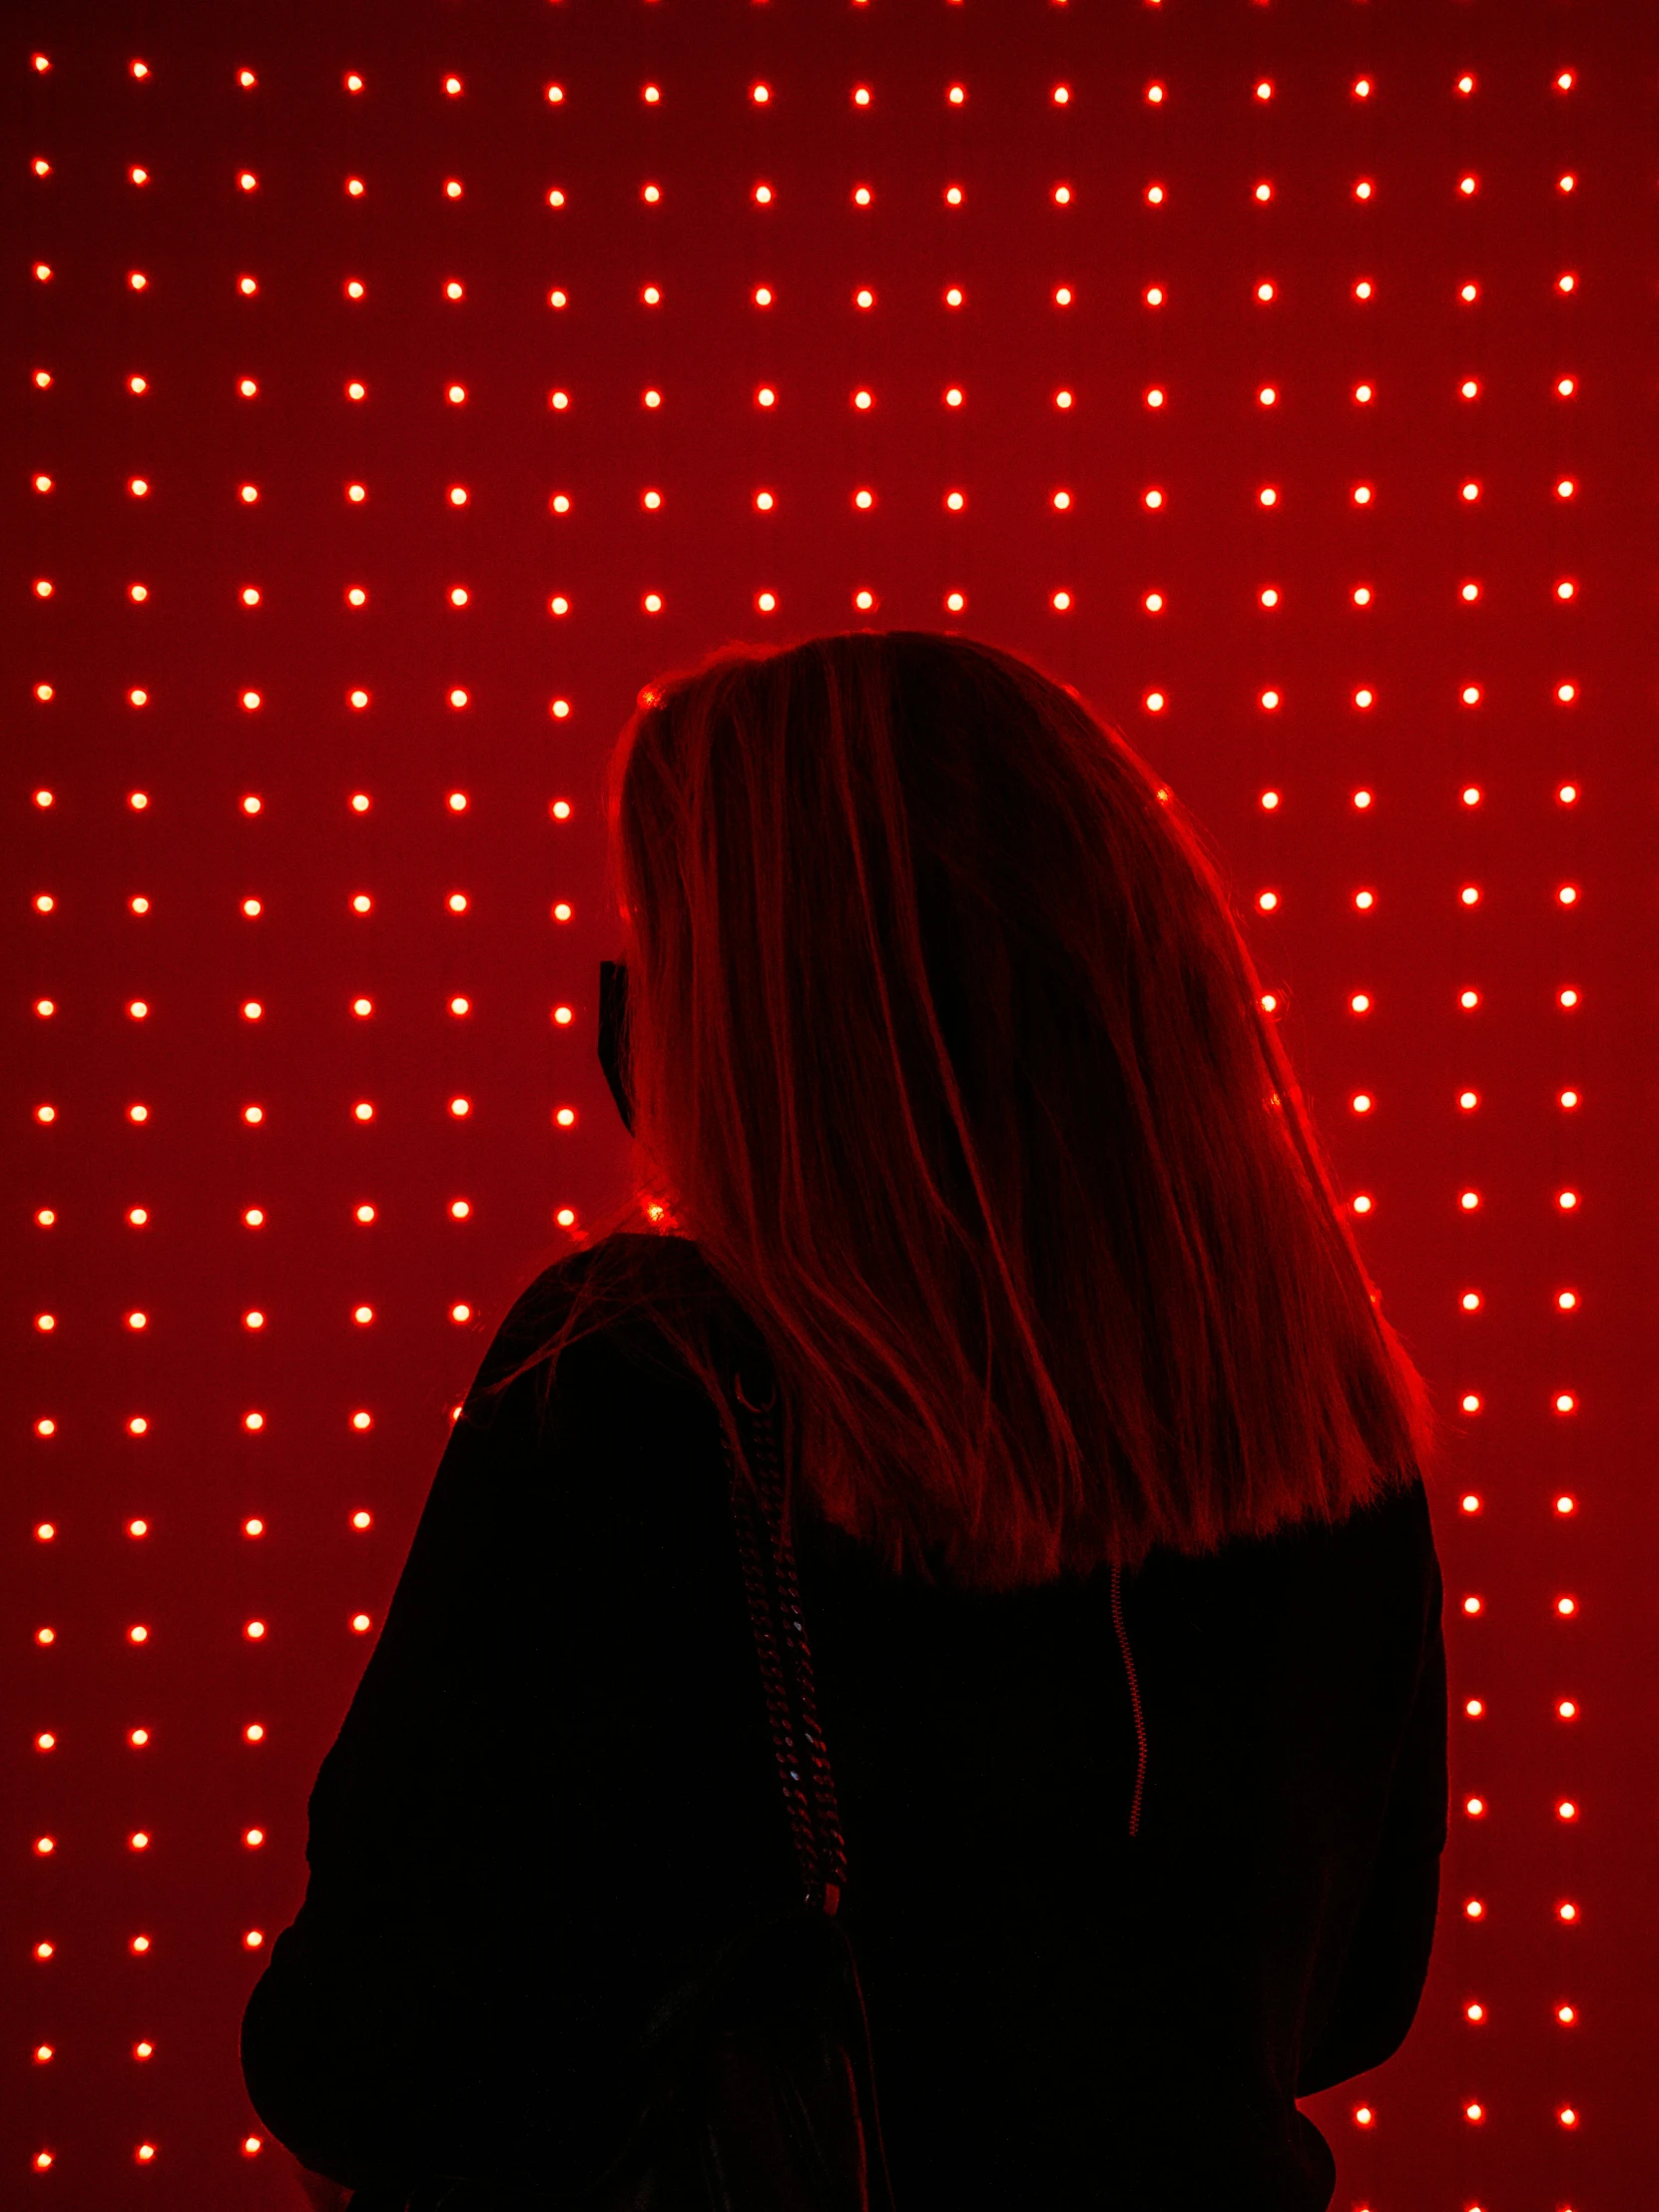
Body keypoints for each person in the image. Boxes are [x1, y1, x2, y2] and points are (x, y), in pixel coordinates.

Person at [242, 630, 1447, 2209]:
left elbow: (370, 2051)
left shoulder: (632, 1381)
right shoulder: (1316, 1410)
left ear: (767, 1022)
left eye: (655, 953)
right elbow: (1352, 2003)